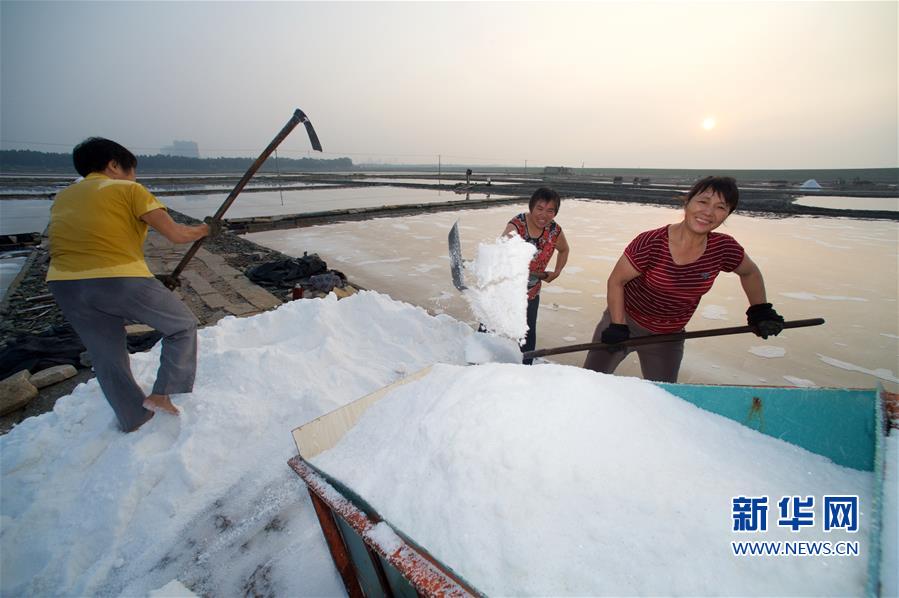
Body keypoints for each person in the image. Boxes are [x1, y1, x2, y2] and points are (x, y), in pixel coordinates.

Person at [47, 137, 213, 432]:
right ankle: (162, 394)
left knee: (106, 355)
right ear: (113, 164)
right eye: (131, 169)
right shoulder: (128, 189)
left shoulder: (64, 196)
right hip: (117, 278)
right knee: (182, 325)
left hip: (64, 284)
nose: (134, 177)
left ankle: (133, 418)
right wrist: (206, 229)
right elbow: (175, 234)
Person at [583, 176, 784, 382]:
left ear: (727, 214)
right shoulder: (651, 242)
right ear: (687, 202)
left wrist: (760, 310)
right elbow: (616, 281)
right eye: (703, 201)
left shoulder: (723, 248)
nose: (708, 212)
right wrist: (617, 325)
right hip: (624, 322)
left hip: (668, 337)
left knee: (665, 396)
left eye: (720, 207)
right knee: (590, 381)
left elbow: (749, 272)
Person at [502, 186, 570, 364]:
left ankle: (525, 370)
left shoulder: (555, 231)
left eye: (550, 211)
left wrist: (557, 271)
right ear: (531, 207)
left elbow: (564, 250)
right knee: (491, 327)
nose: (544, 215)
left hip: (532, 290)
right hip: (505, 290)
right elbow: (500, 253)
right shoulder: (517, 226)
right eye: (539, 209)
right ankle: (478, 367)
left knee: (528, 333)